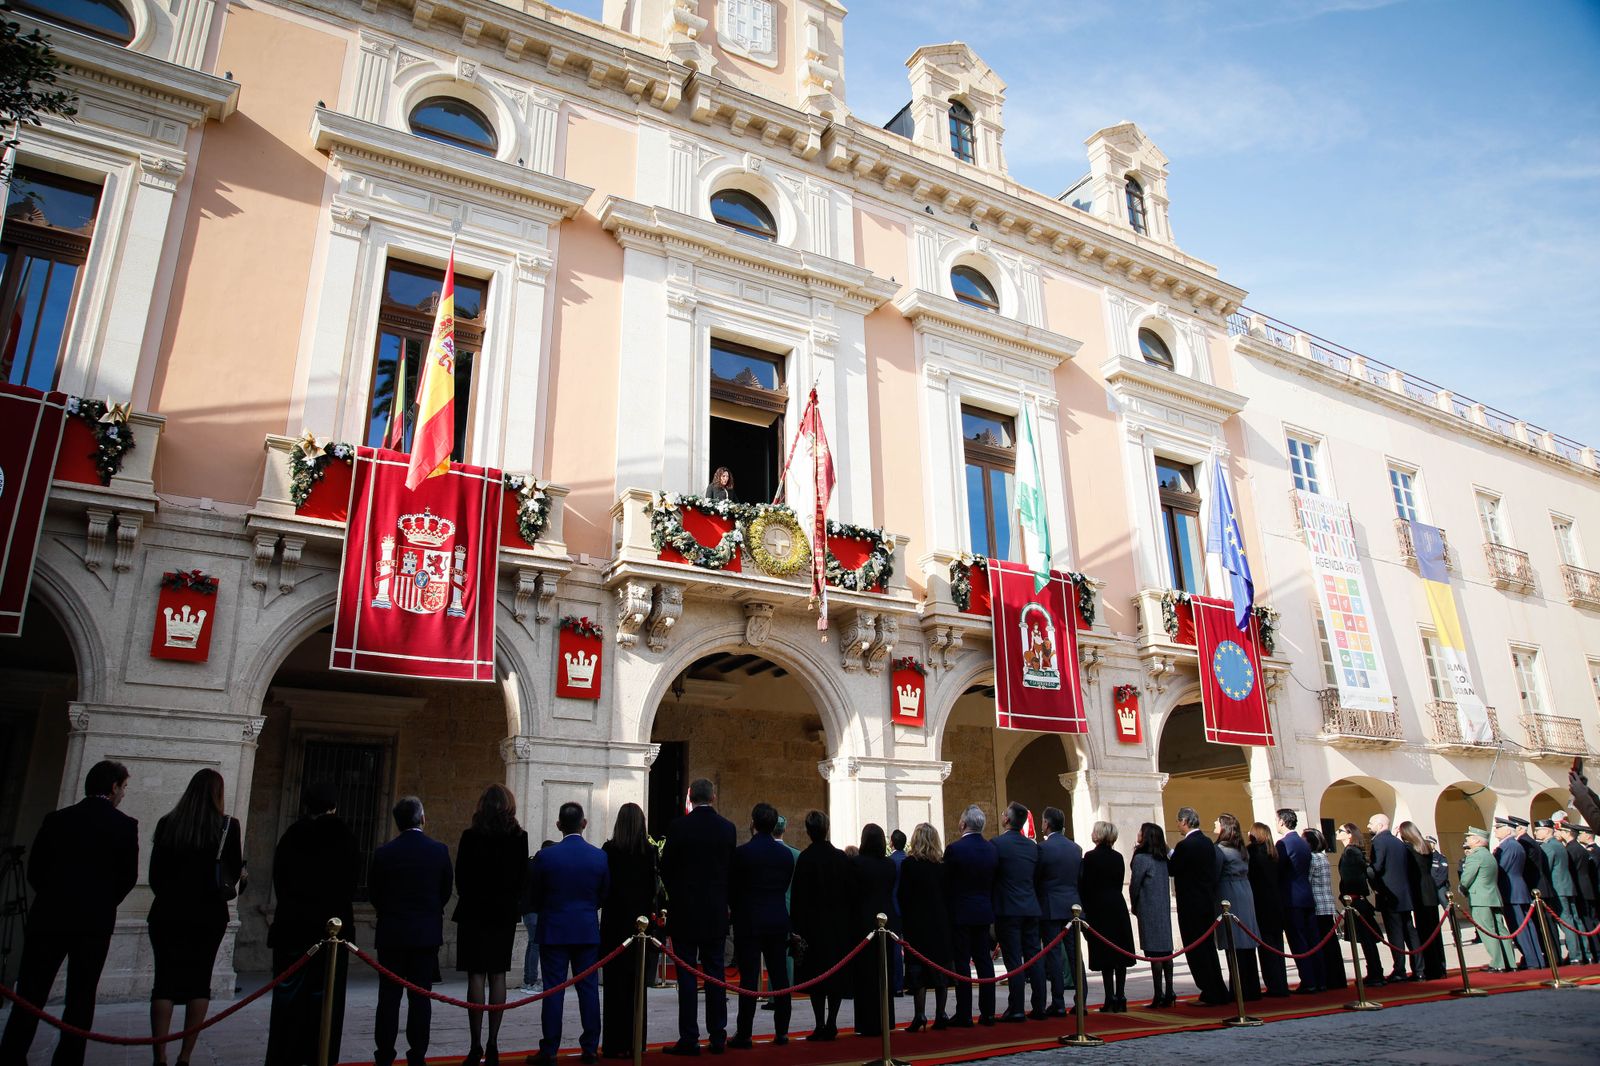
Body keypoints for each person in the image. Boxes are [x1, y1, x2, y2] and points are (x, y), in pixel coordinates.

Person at [0, 760, 138, 1066]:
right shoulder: (124, 825)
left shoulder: (57, 819)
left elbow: (35, 871)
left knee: (31, 993)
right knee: (81, 995)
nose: (124, 794)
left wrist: (55, 897)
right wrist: (101, 902)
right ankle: (69, 1058)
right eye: (124, 787)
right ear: (114, 787)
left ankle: (12, 1053)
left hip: (49, 917)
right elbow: (127, 878)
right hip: (93, 922)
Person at [147, 768, 244, 1066]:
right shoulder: (227, 826)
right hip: (208, 913)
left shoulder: (168, 824)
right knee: (199, 983)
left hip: (168, 912)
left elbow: (155, 876)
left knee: (163, 983)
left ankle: (159, 1054)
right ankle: (185, 1055)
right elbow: (233, 871)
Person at [264, 781, 359, 1066]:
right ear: (333, 805)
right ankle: (321, 1056)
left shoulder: (292, 835)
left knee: (287, 1001)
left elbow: (279, 879)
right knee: (327, 1003)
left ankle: (283, 1057)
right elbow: (350, 882)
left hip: (292, 929)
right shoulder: (343, 835)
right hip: (329, 933)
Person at [370, 796, 454, 1066]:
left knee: (388, 997)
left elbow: (375, 894)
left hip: (392, 933)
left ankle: (384, 1053)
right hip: (424, 933)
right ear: (422, 819)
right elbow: (444, 891)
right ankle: (417, 1054)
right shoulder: (438, 851)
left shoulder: (383, 853)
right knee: (421, 996)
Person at [527, 802, 609, 1065]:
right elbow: (603, 894)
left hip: (554, 929)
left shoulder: (546, 857)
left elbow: (535, 894)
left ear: (559, 825)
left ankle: (550, 1049)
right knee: (588, 990)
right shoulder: (599, 857)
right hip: (585, 928)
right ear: (584, 824)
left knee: (553, 990)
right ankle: (589, 1048)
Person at [659, 778, 737, 1054]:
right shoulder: (727, 829)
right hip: (715, 911)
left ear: (690, 797)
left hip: (685, 911)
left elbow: (666, 867)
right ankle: (718, 1035)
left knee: (687, 975)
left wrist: (677, 894)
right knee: (716, 974)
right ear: (713, 797)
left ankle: (689, 1037)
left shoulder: (679, 827)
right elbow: (730, 871)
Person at [454, 784, 529, 1066]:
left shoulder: (470, 836)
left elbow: (460, 877)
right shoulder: (518, 838)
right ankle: (493, 1042)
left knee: (476, 975)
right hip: (503, 913)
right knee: (498, 975)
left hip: (474, 910)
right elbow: (523, 879)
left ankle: (475, 1044)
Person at [728, 803, 794, 1048]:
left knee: (748, 978)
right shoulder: (785, 855)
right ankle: (782, 1032)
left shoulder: (743, 853)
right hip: (777, 919)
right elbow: (784, 883)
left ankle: (744, 1033)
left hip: (750, 920)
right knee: (780, 978)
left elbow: (733, 889)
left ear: (753, 823)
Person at [790, 809, 855, 1040]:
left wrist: (795, 929)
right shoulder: (840, 858)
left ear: (808, 831)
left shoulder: (805, 859)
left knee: (816, 977)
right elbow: (850, 894)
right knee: (834, 975)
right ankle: (832, 1021)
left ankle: (820, 1023)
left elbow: (798, 898)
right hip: (837, 925)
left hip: (813, 927)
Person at [600, 803, 658, 1059]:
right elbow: (653, 890)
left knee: (614, 988)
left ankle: (614, 1043)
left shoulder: (609, 850)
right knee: (637, 988)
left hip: (614, 924)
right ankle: (637, 1041)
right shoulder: (650, 851)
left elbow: (605, 889)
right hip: (640, 925)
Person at [944, 804, 999, 1026]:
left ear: (963, 823)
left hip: (961, 912)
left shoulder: (955, 849)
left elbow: (947, 883)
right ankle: (988, 1012)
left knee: (963, 963)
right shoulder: (991, 849)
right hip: (984, 910)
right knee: (984, 961)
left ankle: (964, 1013)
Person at [1168, 806, 1229, 1005]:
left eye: (1178, 821)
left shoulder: (1185, 846)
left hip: (1190, 903)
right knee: (1207, 947)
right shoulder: (1207, 843)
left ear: (1185, 822)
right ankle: (1216, 988)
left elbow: (1172, 868)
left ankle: (1208, 989)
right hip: (1205, 901)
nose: (1178, 825)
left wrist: (1169, 853)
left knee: (1195, 949)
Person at [991, 802, 1046, 1021]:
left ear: (1006, 820)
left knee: (1013, 960)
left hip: (1008, 909)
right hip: (1030, 907)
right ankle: (1040, 1006)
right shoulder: (1033, 847)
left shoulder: (997, 844)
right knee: (1034, 956)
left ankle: (1016, 1007)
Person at [897, 823, 953, 1031]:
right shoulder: (942, 865)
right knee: (940, 968)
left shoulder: (909, 864)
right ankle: (941, 1012)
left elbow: (903, 895)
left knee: (917, 968)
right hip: (939, 922)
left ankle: (919, 1014)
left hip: (917, 922)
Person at [1079, 821, 1134, 1013]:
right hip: (1117, 906)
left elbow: (1086, 886)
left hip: (1099, 908)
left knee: (1105, 954)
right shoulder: (1118, 857)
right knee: (1119, 953)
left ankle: (1109, 996)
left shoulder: (1090, 857)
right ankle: (1121, 995)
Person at [851, 824, 898, 1037]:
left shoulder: (856, 864)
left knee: (865, 974)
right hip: (885, 919)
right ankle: (886, 1019)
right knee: (884, 972)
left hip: (862, 920)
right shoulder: (889, 865)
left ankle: (866, 1021)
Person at [1036, 806, 1082, 1015]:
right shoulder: (1076, 848)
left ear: (1047, 824)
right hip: (1073, 907)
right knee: (1075, 954)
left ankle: (1058, 1001)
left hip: (1050, 906)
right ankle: (1081, 1000)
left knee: (1054, 955)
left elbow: (1038, 878)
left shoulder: (1043, 849)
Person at [1274, 810, 1325, 993]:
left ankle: (1309, 981)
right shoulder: (1303, 843)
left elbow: (1279, 869)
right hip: (1306, 895)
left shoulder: (1283, 843)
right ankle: (1319, 979)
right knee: (1313, 940)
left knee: (1299, 941)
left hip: (1291, 897)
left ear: (1281, 822)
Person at [1213, 814, 1261, 1002]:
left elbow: (1215, 873)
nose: (1214, 825)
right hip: (1245, 891)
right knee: (1246, 943)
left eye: (1217, 823)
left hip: (1229, 892)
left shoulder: (1221, 849)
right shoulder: (1241, 849)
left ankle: (1239, 989)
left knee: (1234, 942)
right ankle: (1252, 988)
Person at [1366, 813, 1418, 981]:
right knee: (1410, 932)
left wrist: (1366, 871)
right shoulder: (1398, 842)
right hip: (1404, 894)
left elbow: (1377, 867)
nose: (1368, 826)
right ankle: (1419, 969)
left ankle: (1399, 970)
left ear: (1380, 825)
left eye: (1371, 822)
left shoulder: (1379, 842)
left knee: (1395, 934)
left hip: (1389, 896)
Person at [1127, 823, 1173, 1008]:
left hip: (1148, 906)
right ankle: (1169, 991)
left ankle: (1159, 994)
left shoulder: (1141, 859)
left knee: (1154, 953)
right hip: (1162, 906)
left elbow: (1135, 884)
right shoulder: (1162, 859)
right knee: (1166, 952)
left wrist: (1134, 903)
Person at [1334, 824, 1384, 986]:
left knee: (1366, 939)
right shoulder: (1351, 851)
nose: (1337, 832)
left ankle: (1376, 974)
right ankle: (1374, 972)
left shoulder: (1351, 852)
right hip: (1355, 899)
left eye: (1340, 830)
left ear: (1349, 835)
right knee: (1365, 939)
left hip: (1355, 900)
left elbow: (1353, 877)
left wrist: (1346, 895)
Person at [1459, 827, 1513, 972]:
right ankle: (1509, 962)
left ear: (1477, 840)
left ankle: (1498, 963)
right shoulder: (1488, 854)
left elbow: (1466, 878)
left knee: (1488, 931)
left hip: (1480, 898)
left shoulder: (1475, 855)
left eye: (1469, 837)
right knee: (1500, 930)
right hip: (1493, 896)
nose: (1467, 840)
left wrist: (1462, 888)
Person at [1397, 820, 1446, 980]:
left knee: (1425, 932)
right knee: (1433, 931)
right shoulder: (1424, 846)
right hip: (1429, 887)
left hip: (1419, 890)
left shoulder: (1407, 849)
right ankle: (1440, 967)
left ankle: (1430, 969)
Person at [1492, 816, 1543, 969]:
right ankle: (1534, 958)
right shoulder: (1513, 844)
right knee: (1526, 927)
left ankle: (1532, 960)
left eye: (1498, 827)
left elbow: (1502, 869)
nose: (1496, 830)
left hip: (1512, 891)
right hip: (1517, 889)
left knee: (1520, 928)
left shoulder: (1509, 846)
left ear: (1507, 830)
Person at [1245, 823, 1289, 997]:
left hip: (1260, 903)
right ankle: (1281, 983)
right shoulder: (1273, 853)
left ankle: (1274, 985)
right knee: (1277, 946)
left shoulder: (1252, 852)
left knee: (1266, 947)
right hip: (1276, 903)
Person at [1301, 827, 1347, 990]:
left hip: (1318, 904)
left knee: (1322, 943)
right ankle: (1337, 978)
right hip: (1326, 903)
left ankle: (1329, 977)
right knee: (1331, 943)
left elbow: (1307, 879)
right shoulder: (1323, 857)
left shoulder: (1313, 858)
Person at [1536, 819, 1580, 965]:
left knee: (1566, 922)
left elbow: (1546, 868)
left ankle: (1575, 955)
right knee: (1574, 920)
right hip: (1567, 886)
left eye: (1538, 830)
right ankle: (1584, 953)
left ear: (1547, 831)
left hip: (1558, 888)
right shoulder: (1559, 844)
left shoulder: (1548, 847)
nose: (1536, 832)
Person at [1557, 821, 1598, 964]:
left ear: (1567, 833)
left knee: (1585, 921)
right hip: (1586, 887)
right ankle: (1592, 952)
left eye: (1561, 830)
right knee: (1587, 920)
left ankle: (1592, 951)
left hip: (1579, 888)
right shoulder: (1580, 848)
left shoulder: (1571, 849)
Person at [888, 828, 907, 996]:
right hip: (908, 908)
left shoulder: (890, 862)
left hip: (894, 908)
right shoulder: (909, 860)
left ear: (891, 843)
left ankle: (897, 984)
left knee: (895, 948)